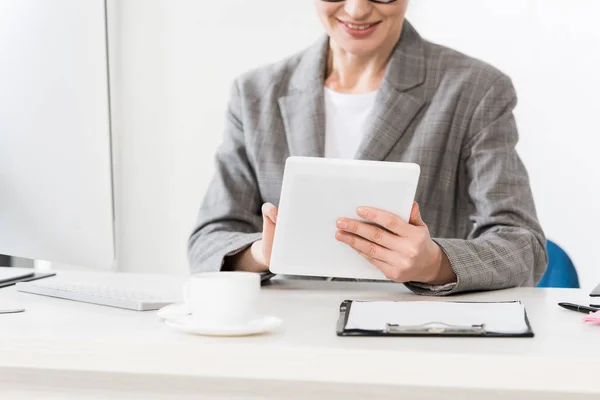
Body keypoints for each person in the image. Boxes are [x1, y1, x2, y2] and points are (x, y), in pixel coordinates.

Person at [187, 0, 548, 295]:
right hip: (288, 332)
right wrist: (263, 253)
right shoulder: (255, 93)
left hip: (414, 333)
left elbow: (524, 246)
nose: (358, 10)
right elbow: (207, 243)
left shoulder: (475, 89)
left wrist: (435, 262)